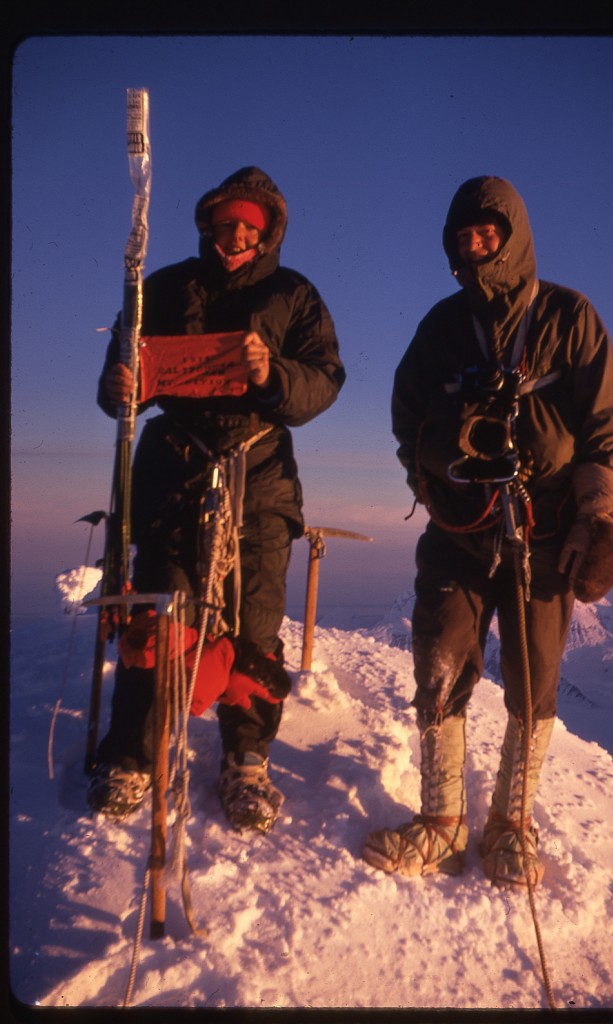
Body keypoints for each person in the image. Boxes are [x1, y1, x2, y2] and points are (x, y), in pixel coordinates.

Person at [362, 176, 613, 888]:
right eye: (463, 235)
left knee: (535, 679)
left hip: (543, 532)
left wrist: (600, 521)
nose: (475, 245)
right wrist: (430, 481)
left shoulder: (568, 318)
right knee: (439, 660)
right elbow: (406, 413)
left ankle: (512, 824)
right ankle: (442, 825)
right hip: (459, 528)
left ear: (513, 236)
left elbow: (606, 428)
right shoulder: (442, 329)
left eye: (488, 232)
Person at [88, 166, 345, 832]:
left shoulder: (294, 295)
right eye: (225, 223)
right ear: (208, 226)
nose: (235, 235)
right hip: (175, 468)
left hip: (259, 471)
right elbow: (123, 379)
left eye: (248, 228)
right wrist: (121, 385)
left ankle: (247, 759)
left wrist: (272, 373)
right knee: (159, 618)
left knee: (255, 622)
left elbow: (323, 381)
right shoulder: (165, 287)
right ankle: (136, 755)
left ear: (266, 235)